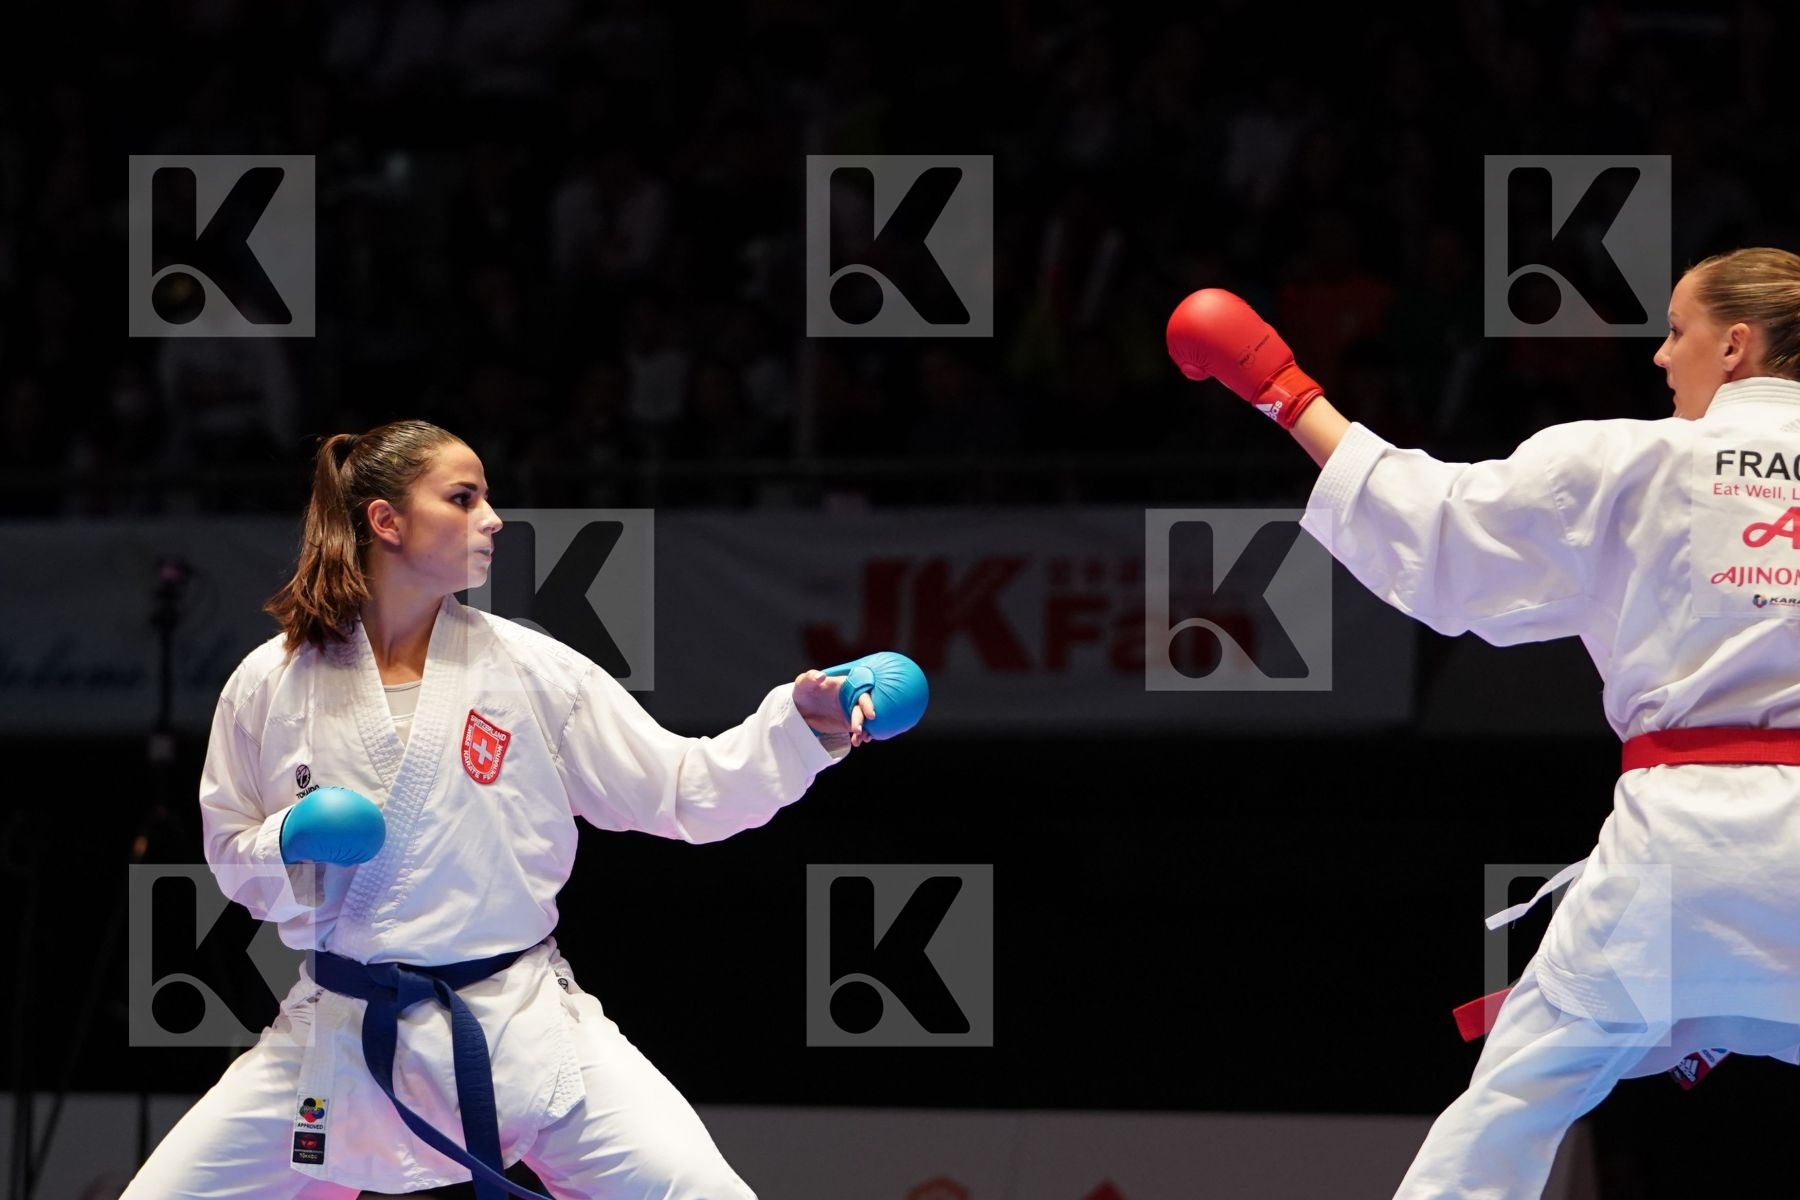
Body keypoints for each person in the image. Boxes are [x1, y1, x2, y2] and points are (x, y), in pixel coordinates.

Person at [1167, 247, 1800, 1199]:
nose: (1663, 359)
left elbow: (1441, 527)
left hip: (1680, 850)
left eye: (1678, 331)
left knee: (1514, 1103)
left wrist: (1287, 393)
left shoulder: (1632, 459)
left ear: (1737, 345)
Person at [119, 419, 889, 1200]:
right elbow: (230, 854)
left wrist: (798, 727)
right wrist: (288, 841)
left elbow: (684, 791)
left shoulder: (533, 670)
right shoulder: (270, 683)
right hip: (338, 1034)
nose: (494, 518)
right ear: (386, 521)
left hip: (520, 1025)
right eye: (464, 497)